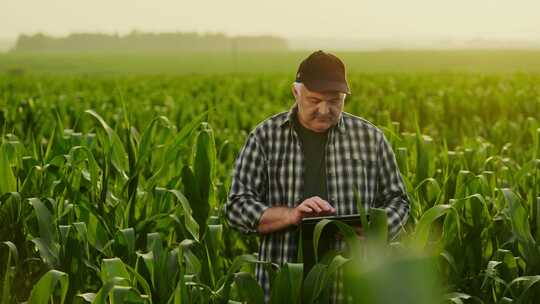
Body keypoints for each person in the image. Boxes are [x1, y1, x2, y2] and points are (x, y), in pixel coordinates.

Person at [225, 50, 410, 303]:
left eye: (335, 100)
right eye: (314, 100)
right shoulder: (265, 137)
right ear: (296, 92)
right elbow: (236, 207)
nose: (325, 110)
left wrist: (373, 226)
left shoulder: (370, 138)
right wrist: (292, 215)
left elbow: (398, 199)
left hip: (351, 288)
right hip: (283, 285)